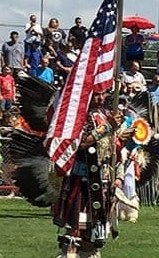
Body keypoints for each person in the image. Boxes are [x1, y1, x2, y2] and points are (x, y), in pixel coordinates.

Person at [53, 89, 131, 258]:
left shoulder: (104, 114)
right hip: (80, 183)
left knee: (93, 236)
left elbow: (113, 150)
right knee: (74, 233)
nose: (101, 98)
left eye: (103, 94)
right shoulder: (79, 115)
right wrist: (108, 127)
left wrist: (118, 175)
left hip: (101, 183)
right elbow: (79, 143)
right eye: (97, 94)